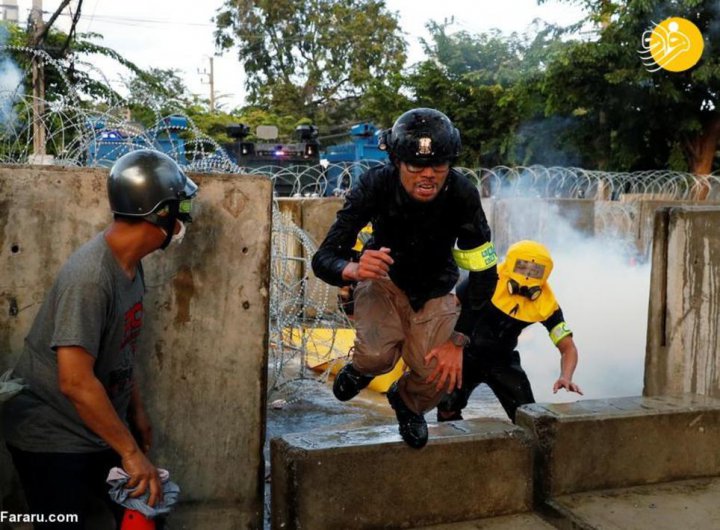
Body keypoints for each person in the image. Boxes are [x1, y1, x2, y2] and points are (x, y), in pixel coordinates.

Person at [1, 150, 198, 528]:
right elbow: (74, 380)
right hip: (50, 435)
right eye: (179, 207)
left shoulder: (130, 264)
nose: (184, 219)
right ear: (159, 212)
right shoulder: (90, 278)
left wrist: (135, 412)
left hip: (95, 427)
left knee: (144, 513)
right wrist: (129, 452)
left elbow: (121, 345)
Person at [311, 108, 498, 449]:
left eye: (438, 166)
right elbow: (323, 257)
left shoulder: (462, 194)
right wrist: (352, 268)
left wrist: (458, 341)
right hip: (384, 281)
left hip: (436, 289)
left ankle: (407, 403)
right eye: (415, 166)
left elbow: (485, 273)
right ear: (396, 162)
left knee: (442, 373)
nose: (428, 176)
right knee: (377, 356)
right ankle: (362, 369)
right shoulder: (375, 184)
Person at [436, 240, 583, 423]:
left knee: (528, 415)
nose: (527, 275)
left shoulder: (547, 304)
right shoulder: (487, 279)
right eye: (523, 267)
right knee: (446, 407)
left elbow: (568, 348)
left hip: (503, 361)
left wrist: (565, 376)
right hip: (465, 353)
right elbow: (446, 308)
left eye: (535, 270)